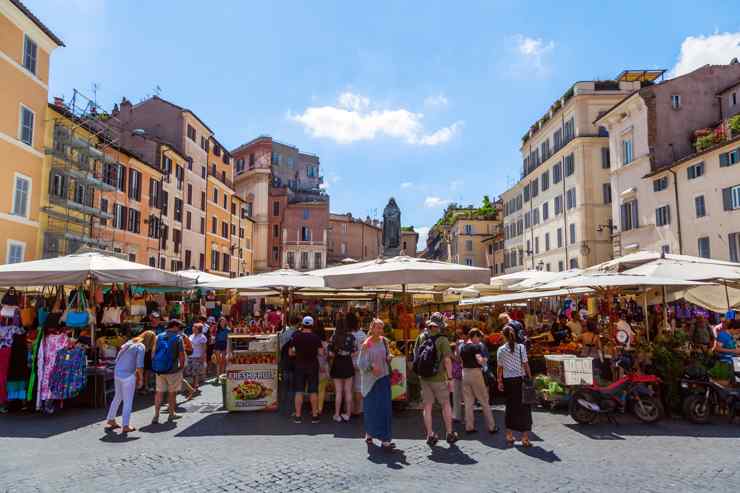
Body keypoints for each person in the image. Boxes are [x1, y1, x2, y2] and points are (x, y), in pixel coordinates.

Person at [414, 312, 457, 446]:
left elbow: (415, 356)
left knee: (427, 407)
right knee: (445, 405)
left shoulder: (420, 337)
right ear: (440, 326)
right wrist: (450, 379)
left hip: (424, 378)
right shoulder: (443, 340)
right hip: (438, 378)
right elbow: (447, 361)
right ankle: (449, 433)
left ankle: (430, 435)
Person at [106, 331, 155, 433]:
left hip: (118, 372)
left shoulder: (130, 342)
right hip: (128, 375)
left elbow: (118, 357)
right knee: (128, 401)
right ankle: (125, 425)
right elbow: (140, 365)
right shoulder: (141, 347)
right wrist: (141, 379)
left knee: (118, 397)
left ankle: (111, 419)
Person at [357, 318, 395, 450]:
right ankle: (369, 433)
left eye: (381, 328)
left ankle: (385, 439)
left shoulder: (384, 341)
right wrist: (371, 367)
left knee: (384, 409)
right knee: (371, 409)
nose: (379, 330)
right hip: (370, 382)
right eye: (377, 327)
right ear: (372, 328)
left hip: (383, 378)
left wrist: (389, 357)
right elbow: (360, 364)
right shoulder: (366, 344)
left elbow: (388, 354)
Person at [497, 325, 533, 447]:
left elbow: (500, 368)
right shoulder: (521, 347)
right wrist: (530, 377)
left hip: (508, 382)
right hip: (520, 380)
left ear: (503, 336)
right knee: (524, 409)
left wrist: (499, 381)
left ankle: (509, 435)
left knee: (510, 408)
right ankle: (525, 438)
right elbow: (526, 364)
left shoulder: (501, 350)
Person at [460, 329, 498, 434]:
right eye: (479, 337)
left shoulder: (462, 347)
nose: (479, 340)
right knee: (484, 400)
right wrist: (484, 359)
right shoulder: (475, 347)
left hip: (465, 373)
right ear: (474, 336)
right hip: (475, 374)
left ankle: (469, 426)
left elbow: (460, 360)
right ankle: (491, 426)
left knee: (468, 402)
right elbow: (480, 360)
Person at [289, 316, 324, 423]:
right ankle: (314, 415)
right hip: (313, 365)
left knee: (299, 391)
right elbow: (321, 353)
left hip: (299, 365)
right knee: (313, 391)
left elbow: (290, 353)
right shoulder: (316, 337)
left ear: (302, 324)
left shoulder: (296, 336)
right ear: (312, 325)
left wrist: (298, 352)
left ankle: (298, 416)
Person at [152, 319, 186, 424]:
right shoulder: (178, 338)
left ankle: (156, 416)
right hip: (173, 370)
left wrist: (156, 366)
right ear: (174, 326)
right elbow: (182, 355)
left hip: (160, 370)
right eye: (179, 328)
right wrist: (181, 367)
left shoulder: (158, 336)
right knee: (172, 393)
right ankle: (171, 414)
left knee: (159, 393)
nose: (180, 330)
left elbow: (153, 353)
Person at [329, 315, 356, 422]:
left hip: (337, 364)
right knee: (348, 391)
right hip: (348, 363)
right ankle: (348, 414)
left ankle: (337, 414)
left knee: (339, 392)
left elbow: (330, 354)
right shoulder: (352, 337)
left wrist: (338, 352)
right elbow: (355, 352)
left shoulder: (334, 337)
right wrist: (347, 353)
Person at [350, 315, 367, 416]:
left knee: (349, 388)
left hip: (347, 363)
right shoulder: (362, 335)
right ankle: (359, 409)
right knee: (358, 387)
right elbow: (366, 349)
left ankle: (350, 409)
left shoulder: (347, 334)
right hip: (359, 362)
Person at [314, 321, 331, 415]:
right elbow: (328, 356)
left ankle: (314, 407)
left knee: (314, 388)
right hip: (324, 367)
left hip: (314, 367)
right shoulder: (325, 344)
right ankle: (319, 408)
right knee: (321, 389)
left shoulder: (312, 342)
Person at [186, 323, 208, 393]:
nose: (193, 328)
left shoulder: (202, 337)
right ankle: (193, 384)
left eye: (195, 327)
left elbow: (204, 348)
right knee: (191, 372)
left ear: (198, 329)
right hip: (190, 356)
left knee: (196, 372)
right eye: (193, 327)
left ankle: (196, 385)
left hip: (197, 356)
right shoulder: (191, 336)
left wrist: (202, 357)